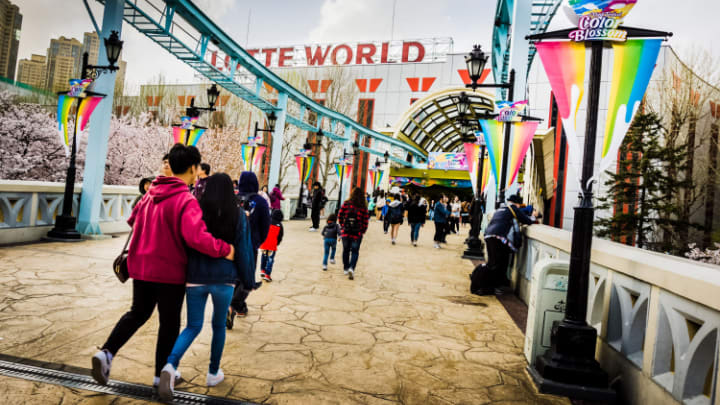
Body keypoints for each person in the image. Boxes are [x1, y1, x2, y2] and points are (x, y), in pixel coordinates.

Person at [91, 144, 234, 388]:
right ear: (192, 168)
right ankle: (160, 376)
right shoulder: (185, 200)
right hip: (170, 272)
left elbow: (132, 220)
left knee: (137, 313)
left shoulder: (150, 193)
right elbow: (196, 238)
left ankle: (106, 353)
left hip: (141, 267)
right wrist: (225, 249)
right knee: (169, 323)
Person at [158, 173, 255, 400]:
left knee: (192, 326)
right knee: (219, 325)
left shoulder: (196, 211)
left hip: (195, 277)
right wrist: (248, 280)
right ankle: (213, 373)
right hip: (224, 279)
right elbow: (244, 250)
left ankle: (169, 366)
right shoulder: (238, 215)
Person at [229, 171, 270, 321]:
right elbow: (266, 225)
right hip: (250, 245)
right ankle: (234, 305)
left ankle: (238, 307)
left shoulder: (233, 198)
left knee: (234, 277)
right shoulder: (260, 201)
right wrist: (258, 241)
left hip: (232, 244)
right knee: (247, 278)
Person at [481, 194, 537, 295]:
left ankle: (486, 285)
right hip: (499, 237)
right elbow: (527, 221)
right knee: (500, 263)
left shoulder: (501, 209)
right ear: (517, 204)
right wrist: (534, 217)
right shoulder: (513, 209)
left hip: (489, 235)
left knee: (492, 262)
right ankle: (495, 287)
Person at [337, 187, 369, 280]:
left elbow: (340, 215)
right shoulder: (363, 206)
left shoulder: (346, 203)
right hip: (357, 233)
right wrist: (363, 230)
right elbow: (365, 220)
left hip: (346, 232)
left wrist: (342, 225)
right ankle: (352, 268)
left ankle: (346, 268)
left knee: (345, 250)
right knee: (355, 251)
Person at [259, 209, 284, 282]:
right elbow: (280, 236)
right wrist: (277, 243)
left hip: (264, 244)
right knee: (270, 259)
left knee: (264, 256)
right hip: (272, 245)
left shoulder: (267, 221)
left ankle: (262, 270)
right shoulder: (280, 225)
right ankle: (267, 275)